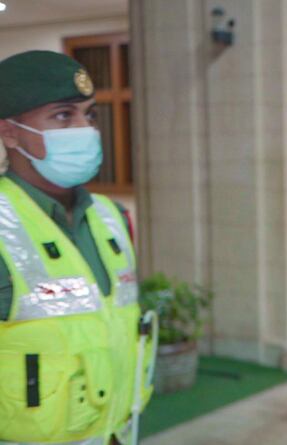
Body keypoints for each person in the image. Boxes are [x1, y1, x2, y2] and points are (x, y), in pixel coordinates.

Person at [0, 50, 155, 444]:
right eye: (64, 115)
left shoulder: (111, 218)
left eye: (90, 115)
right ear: (10, 133)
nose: (85, 129)